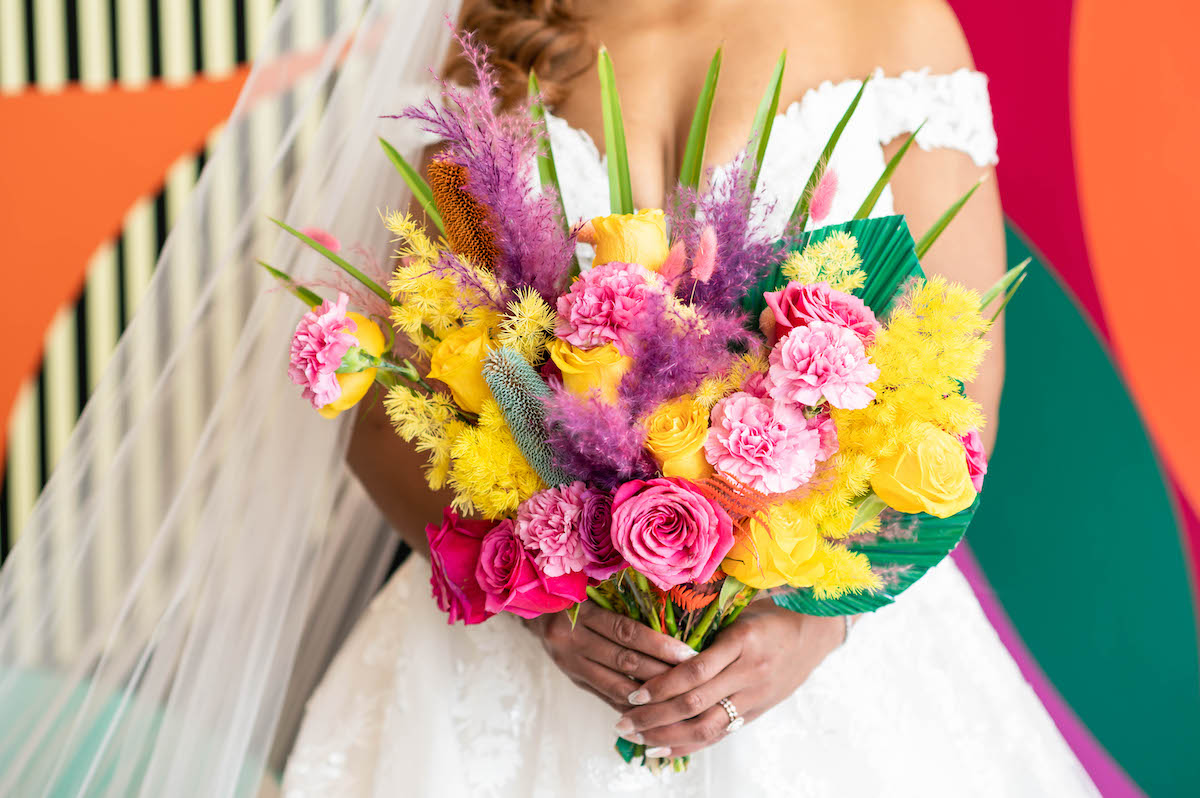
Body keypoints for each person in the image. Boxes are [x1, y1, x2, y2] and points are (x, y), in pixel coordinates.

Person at [282, 1, 1097, 796]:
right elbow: (388, 433)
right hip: (537, 671)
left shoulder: (899, 23)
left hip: (822, 660)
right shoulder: (498, 40)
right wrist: (543, 612)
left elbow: (960, 402)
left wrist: (819, 625)